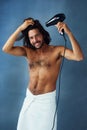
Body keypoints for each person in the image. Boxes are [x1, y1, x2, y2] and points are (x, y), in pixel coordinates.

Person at [2, 17, 84, 130]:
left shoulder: (57, 50)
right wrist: (20, 28)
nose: (35, 40)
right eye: (31, 38)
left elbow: (79, 57)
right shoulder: (28, 52)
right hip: (29, 99)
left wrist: (68, 32)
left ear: (43, 34)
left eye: (37, 35)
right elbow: (6, 49)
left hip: (46, 102)